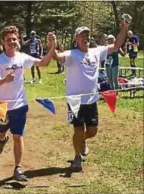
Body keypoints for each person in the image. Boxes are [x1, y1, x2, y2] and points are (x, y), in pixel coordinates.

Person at [51, 20, 130, 171]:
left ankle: (81, 141)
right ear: (76, 38)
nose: (86, 37)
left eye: (87, 35)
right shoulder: (71, 54)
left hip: (92, 99)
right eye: (82, 35)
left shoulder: (96, 51)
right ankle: (77, 157)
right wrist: (52, 44)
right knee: (78, 130)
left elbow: (117, 45)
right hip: (74, 100)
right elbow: (57, 57)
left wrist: (124, 28)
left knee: (92, 131)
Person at [0, 26, 56, 181]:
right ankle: (1, 139)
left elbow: (44, 62)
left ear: (17, 40)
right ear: (4, 42)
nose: (12, 42)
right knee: (1, 131)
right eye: (8, 40)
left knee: (18, 136)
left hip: (20, 104)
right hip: (2, 105)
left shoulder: (22, 57)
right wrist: (5, 79)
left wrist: (52, 46)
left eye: (14, 39)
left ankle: (18, 168)